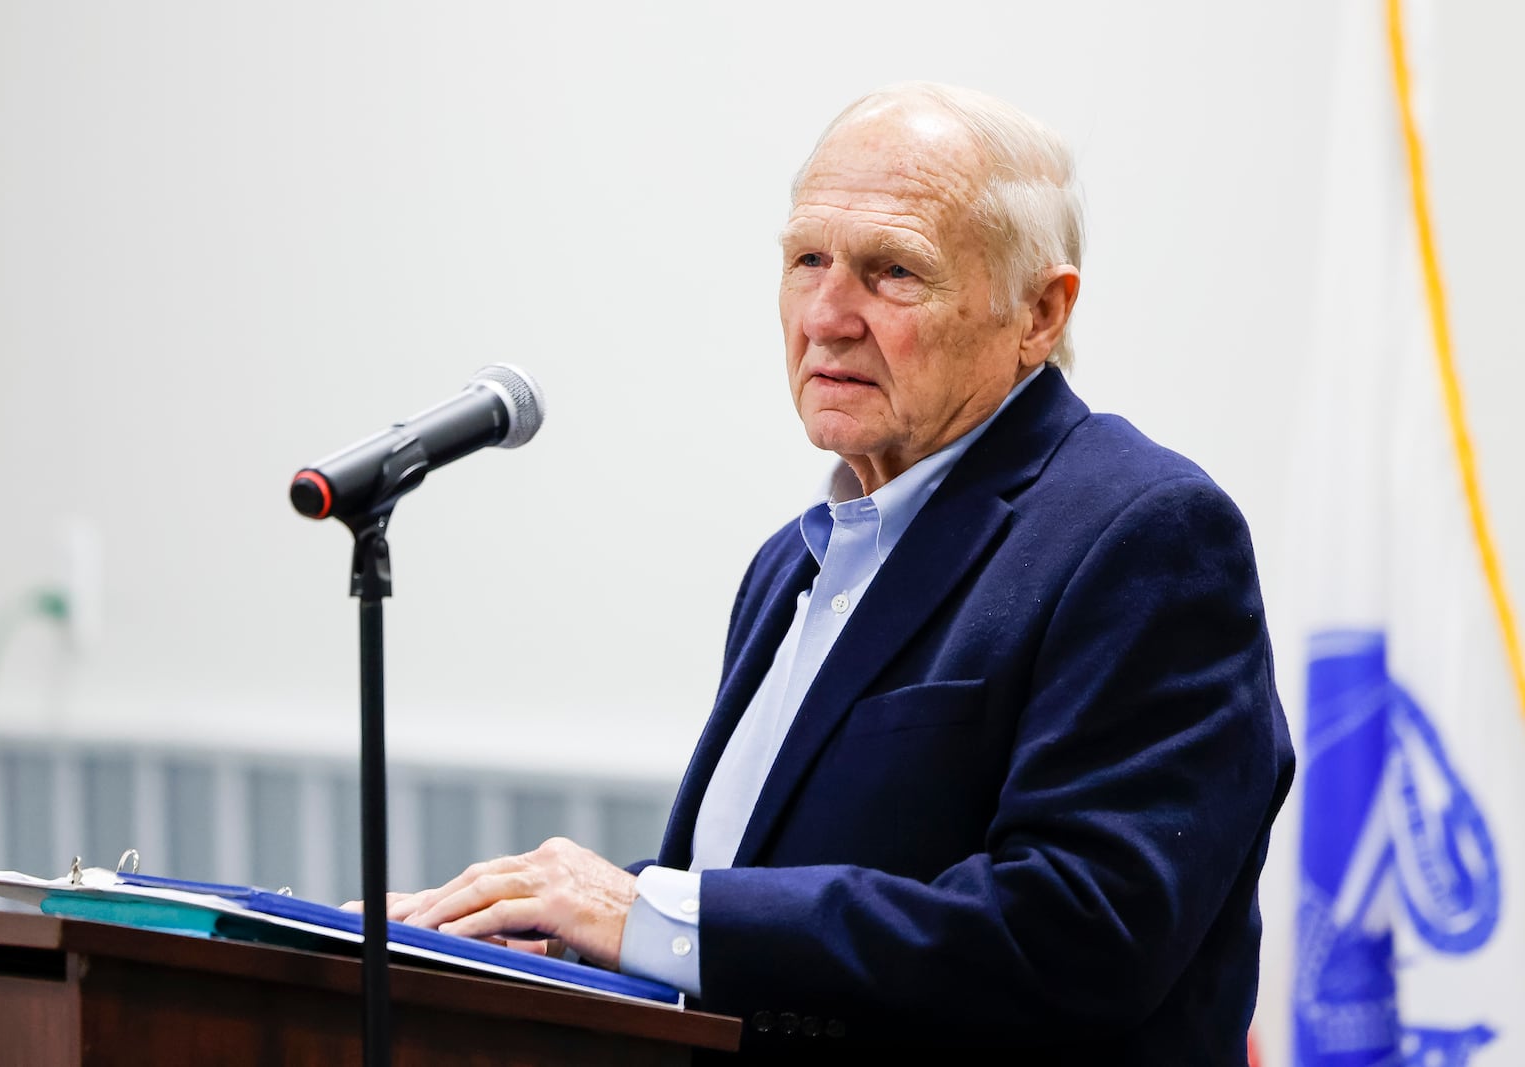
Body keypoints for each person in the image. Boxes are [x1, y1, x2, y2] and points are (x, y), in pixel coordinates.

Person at [384, 82, 1294, 1062]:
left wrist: (649, 912)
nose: (826, 313)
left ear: (1039, 311)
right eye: (806, 258)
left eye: (892, 270)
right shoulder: (792, 559)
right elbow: (761, 889)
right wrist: (525, 930)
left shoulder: (1146, 532)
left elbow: (1080, 932)